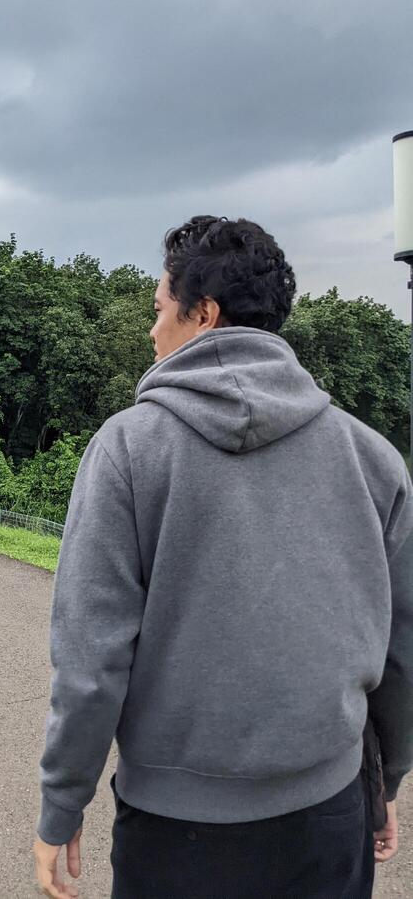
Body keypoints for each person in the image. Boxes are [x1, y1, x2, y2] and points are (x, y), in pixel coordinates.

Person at [32, 215, 413, 898]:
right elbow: (401, 648)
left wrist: (62, 803)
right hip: (328, 812)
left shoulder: (126, 448)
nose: (151, 331)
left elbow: (91, 658)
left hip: (176, 833)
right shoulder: (371, 457)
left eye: (157, 310)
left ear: (201, 313)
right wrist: (385, 781)